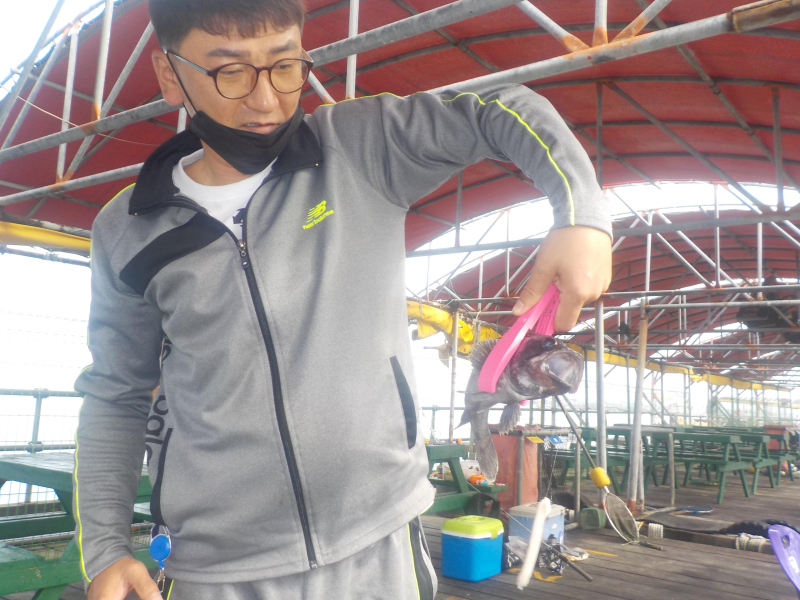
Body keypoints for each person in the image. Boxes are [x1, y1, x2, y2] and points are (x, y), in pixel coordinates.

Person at [73, 0, 612, 598]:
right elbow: (116, 394)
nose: (266, 99)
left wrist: (580, 215)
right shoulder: (128, 228)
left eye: (285, 66)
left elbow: (502, 108)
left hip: (380, 540)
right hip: (219, 568)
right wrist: (105, 550)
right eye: (230, 71)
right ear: (170, 73)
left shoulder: (358, 147)